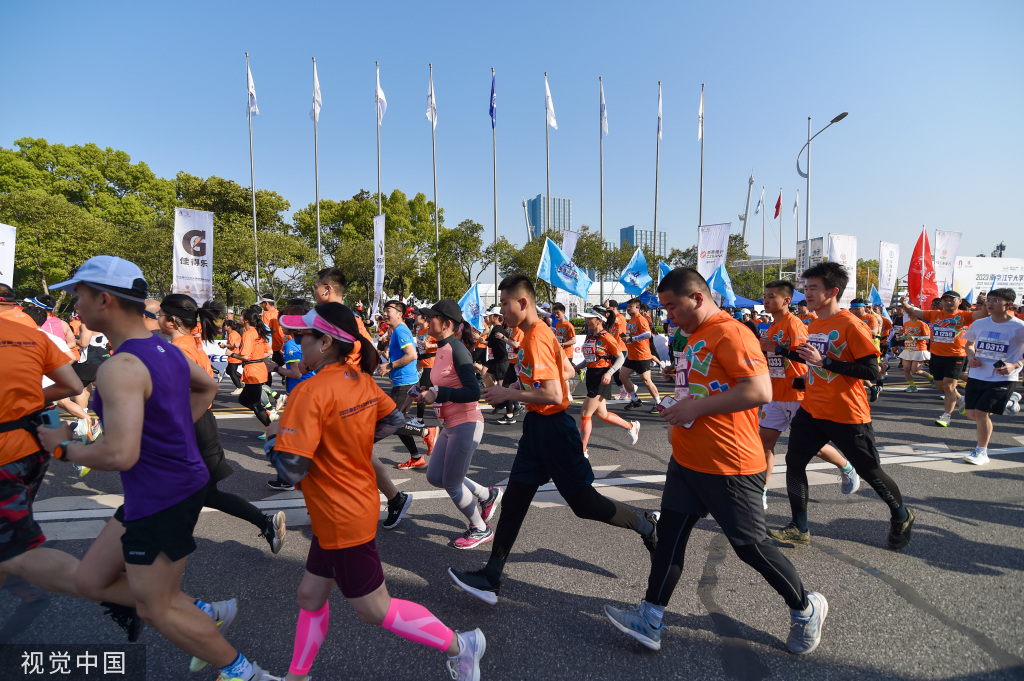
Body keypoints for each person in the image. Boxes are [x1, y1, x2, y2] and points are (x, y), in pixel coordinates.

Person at [38, 256, 281, 680]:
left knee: (156, 607)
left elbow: (119, 455)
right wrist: (169, 429)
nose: (73, 305)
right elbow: (205, 386)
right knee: (92, 581)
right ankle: (201, 610)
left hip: (162, 494)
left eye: (77, 294)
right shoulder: (162, 349)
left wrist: (61, 451)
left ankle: (246, 673)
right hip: (160, 489)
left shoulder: (121, 366)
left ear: (104, 299)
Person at [603, 267, 827, 656]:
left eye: (672, 306)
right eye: (664, 307)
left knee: (750, 547)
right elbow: (713, 385)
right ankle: (650, 617)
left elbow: (758, 391)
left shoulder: (732, 332)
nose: (667, 313)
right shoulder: (696, 336)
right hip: (688, 459)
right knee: (670, 538)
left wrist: (695, 403)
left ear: (698, 298)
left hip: (731, 463)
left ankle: (806, 609)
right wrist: (681, 385)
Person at [269, 303, 486, 681]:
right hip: (347, 506)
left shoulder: (309, 392)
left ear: (324, 342)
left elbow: (290, 471)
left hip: (340, 516)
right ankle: (297, 676)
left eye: (302, 336)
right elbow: (394, 420)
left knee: (373, 608)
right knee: (310, 595)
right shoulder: (359, 379)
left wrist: (275, 441)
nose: (296, 342)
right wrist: (348, 444)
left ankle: (461, 646)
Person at [448, 274, 658, 605]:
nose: (501, 310)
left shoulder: (535, 337)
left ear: (522, 303)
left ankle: (647, 525)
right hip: (537, 430)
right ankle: (491, 575)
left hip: (556, 432)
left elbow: (555, 392)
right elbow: (568, 373)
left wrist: (506, 391)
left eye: (504, 303)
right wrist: (518, 388)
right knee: (515, 500)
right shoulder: (533, 334)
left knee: (585, 505)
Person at [0, 291, 144, 642]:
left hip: (4, 457)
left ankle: (145, 599)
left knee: (15, 550)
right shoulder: (34, 334)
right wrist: (30, 400)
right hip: (31, 448)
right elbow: (72, 385)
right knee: (9, 540)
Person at [767, 262, 914, 550]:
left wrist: (826, 363)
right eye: (805, 288)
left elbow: (872, 372)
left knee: (871, 471)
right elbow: (812, 360)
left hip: (847, 413)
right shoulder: (813, 323)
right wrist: (783, 352)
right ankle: (799, 527)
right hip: (811, 409)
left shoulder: (851, 325)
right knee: (795, 463)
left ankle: (901, 514)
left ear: (833, 292)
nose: (807, 293)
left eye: (814, 288)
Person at [158, 293, 286, 558]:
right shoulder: (190, 343)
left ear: (171, 320)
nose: (156, 319)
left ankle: (163, 552)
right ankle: (166, 548)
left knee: (181, 491)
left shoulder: (178, 350)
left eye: (159, 314)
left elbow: (193, 389)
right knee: (201, 493)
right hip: (201, 423)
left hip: (191, 426)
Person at [312, 270, 414, 529]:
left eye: (315, 287)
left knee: (343, 452)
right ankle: (393, 498)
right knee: (357, 451)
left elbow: (361, 354)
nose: (314, 292)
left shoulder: (339, 319)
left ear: (326, 289)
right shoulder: (348, 318)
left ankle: (353, 510)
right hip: (350, 395)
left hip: (350, 398)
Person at [757, 281, 859, 511]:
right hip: (775, 394)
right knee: (765, 443)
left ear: (786, 301)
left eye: (771, 296)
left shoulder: (794, 324)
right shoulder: (771, 326)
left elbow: (807, 358)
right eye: (764, 296)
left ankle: (846, 467)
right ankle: (761, 490)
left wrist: (776, 348)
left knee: (814, 447)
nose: (766, 300)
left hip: (797, 394)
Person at [409, 301, 503, 549]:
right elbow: (444, 385)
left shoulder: (457, 350)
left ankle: (480, 528)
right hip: (450, 424)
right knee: (435, 476)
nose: (427, 321)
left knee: (451, 482)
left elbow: (473, 392)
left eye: (432, 318)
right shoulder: (440, 348)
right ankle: (486, 494)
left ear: (447, 323)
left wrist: (439, 392)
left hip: (466, 423)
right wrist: (424, 391)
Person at [902, 289, 990, 427]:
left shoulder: (965, 315)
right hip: (936, 355)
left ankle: (946, 416)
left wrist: (985, 303)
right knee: (941, 387)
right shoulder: (934, 314)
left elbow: (984, 314)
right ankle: (962, 400)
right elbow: (914, 312)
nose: (948, 302)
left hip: (956, 355)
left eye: (952, 300)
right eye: (945, 300)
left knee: (949, 386)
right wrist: (905, 304)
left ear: (959, 302)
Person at [962, 288, 1024, 465]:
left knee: (982, 413)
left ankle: (981, 452)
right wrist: (971, 356)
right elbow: (969, 344)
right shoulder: (980, 324)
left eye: (995, 300)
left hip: (1003, 377)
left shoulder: (1019, 327)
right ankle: (1009, 401)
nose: (990, 303)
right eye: (988, 300)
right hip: (977, 374)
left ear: (1008, 304)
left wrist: (1015, 365)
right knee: (972, 414)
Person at [575, 310, 640, 457]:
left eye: (589, 319)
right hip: (591, 376)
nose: (586, 321)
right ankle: (631, 426)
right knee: (602, 414)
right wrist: (578, 366)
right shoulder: (590, 336)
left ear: (599, 320)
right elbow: (591, 358)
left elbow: (620, 358)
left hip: (602, 377)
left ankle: (582, 449)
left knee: (585, 412)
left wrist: (609, 373)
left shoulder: (607, 337)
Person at [229, 309, 275, 436]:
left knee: (254, 403)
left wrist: (231, 353)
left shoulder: (248, 334)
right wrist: (258, 357)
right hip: (259, 368)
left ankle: (273, 429)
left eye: (241, 316)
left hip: (253, 371)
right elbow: (270, 352)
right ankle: (267, 414)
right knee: (243, 400)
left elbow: (244, 356)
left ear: (246, 320)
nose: (239, 318)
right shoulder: (258, 332)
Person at [619, 298, 662, 413]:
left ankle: (659, 404)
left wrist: (632, 338)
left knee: (646, 380)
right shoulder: (631, 321)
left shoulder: (640, 319)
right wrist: (626, 339)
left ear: (638, 308)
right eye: (627, 306)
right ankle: (635, 400)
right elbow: (631, 336)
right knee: (622, 376)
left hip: (642, 355)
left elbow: (648, 334)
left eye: (630, 306)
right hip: (632, 356)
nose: (628, 308)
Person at [850, 299, 885, 402]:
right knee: (856, 371)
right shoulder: (851, 317)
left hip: (870, 347)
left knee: (868, 370)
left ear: (864, 308)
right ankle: (871, 389)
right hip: (854, 347)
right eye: (853, 309)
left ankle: (876, 384)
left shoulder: (871, 318)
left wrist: (857, 330)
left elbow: (874, 331)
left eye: (857, 309)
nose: (855, 311)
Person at [897, 311, 932, 391]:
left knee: (915, 370)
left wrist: (917, 338)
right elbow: (905, 335)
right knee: (906, 369)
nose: (909, 314)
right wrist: (901, 337)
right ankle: (912, 386)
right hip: (908, 348)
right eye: (909, 313)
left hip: (919, 349)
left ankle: (931, 378)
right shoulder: (906, 324)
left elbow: (928, 336)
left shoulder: (922, 324)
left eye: (911, 313)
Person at [221, 319, 245, 394]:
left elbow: (233, 345)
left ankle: (239, 387)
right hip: (234, 355)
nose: (224, 326)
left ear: (229, 327)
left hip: (234, 355)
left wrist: (224, 345)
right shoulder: (232, 333)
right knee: (229, 371)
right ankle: (243, 379)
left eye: (225, 325)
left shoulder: (233, 334)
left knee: (232, 372)